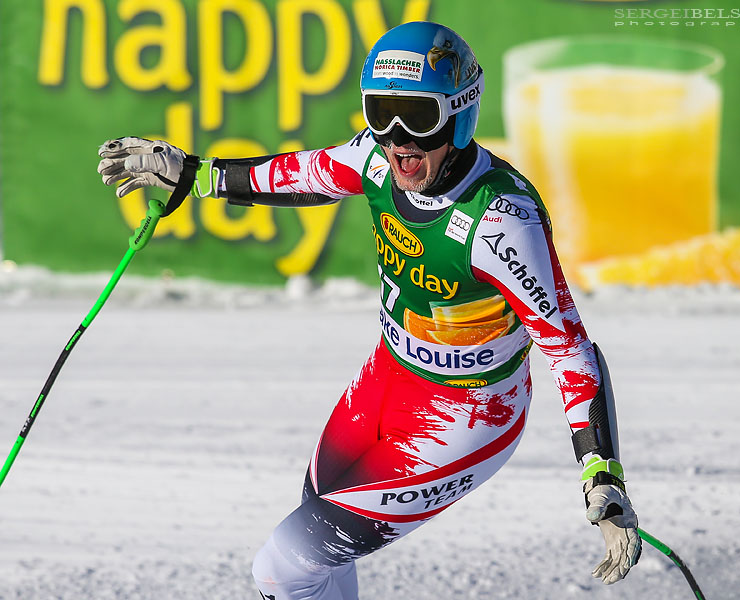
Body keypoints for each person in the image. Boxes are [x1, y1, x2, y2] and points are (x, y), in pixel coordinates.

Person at [97, 21, 641, 600]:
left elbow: (569, 348)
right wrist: (195, 174)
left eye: (419, 118)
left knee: (283, 565)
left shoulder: (500, 217)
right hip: (390, 377)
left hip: (467, 415)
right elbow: (298, 174)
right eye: (381, 113)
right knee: (315, 529)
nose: (399, 139)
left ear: (460, 117)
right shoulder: (376, 161)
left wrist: (600, 473)